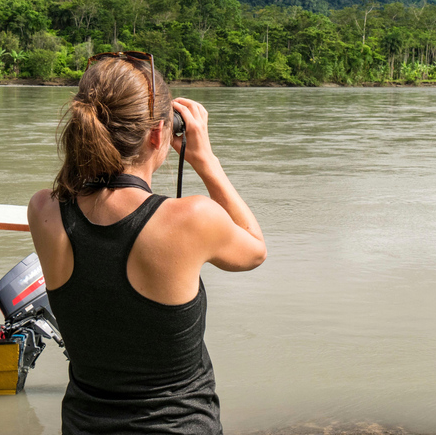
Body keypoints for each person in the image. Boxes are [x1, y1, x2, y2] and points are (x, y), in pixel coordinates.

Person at [27, 52, 266, 435]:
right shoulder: (192, 219)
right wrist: (206, 160)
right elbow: (255, 250)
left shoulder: (45, 209)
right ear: (160, 134)